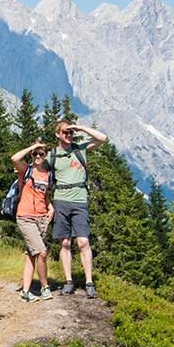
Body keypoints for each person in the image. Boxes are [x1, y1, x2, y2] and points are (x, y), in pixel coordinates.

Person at [48, 120, 106, 298]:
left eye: (71, 132)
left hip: (80, 201)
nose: (69, 135)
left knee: (83, 242)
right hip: (61, 201)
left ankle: (89, 282)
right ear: (57, 134)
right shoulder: (53, 155)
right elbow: (42, 178)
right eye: (65, 132)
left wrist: (80, 127)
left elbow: (103, 138)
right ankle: (69, 281)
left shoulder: (80, 149)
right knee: (64, 243)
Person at [10, 139, 57, 302]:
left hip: (42, 218)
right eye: (35, 153)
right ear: (31, 154)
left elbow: (44, 195)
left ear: (45, 156)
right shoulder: (25, 169)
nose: (37, 156)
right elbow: (14, 158)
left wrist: (50, 206)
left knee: (31, 255)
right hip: (25, 216)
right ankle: (45, 287)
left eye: (41, 153)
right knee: (42, 252)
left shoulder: (48, 174)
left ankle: (26, 292)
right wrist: (33, 146)